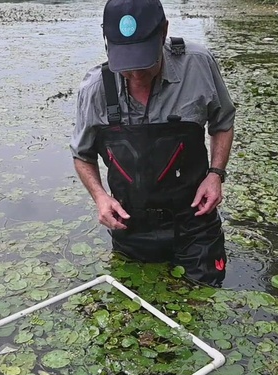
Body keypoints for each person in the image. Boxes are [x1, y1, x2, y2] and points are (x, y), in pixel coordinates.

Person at [70, 0, 235, 286]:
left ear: (164, 33)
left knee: (206, 306)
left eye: (144, 63)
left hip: (195, 222)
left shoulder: (198, 64)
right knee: (133, 313)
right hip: (131, 226)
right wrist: (100, 197)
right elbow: (82, 155)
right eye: (126, 66)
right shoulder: (95, 89)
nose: (136, 76)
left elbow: (223, 123)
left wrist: (215, 174)